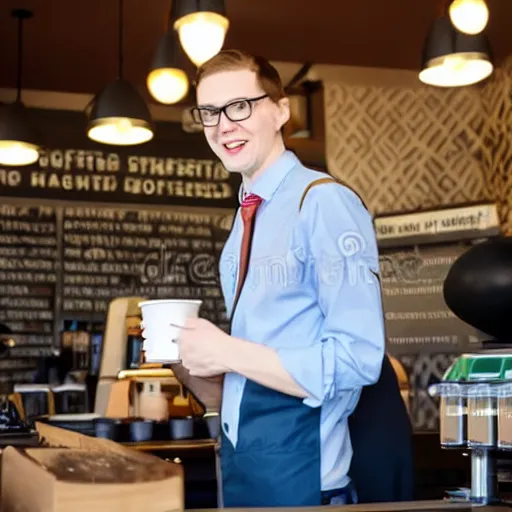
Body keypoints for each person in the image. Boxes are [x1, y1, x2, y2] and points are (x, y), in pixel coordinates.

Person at [171, 49, 386, 507]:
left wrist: (227, 349)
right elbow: (256, 371)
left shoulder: (322, 202)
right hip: (245, 467)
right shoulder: (246, 217)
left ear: (281, 110)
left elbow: (358, 358)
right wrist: (191, 362)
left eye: (240, 106)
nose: (223, 124)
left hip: (303, 478)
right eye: (209, 112)